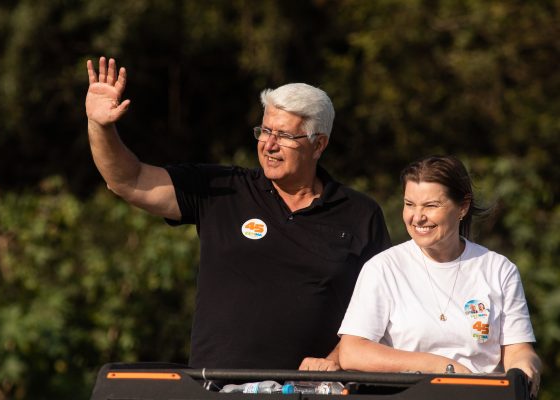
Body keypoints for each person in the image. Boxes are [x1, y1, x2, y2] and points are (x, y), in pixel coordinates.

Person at [85, 57, 391, 370]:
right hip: (217, 388)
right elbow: (129, 180)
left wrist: (335, 361)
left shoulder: (360, 214)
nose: (269, 145)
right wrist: (100, 126)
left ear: (318, 145)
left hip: (308, 390)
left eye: (284, 136)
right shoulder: (222, 190)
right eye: (264, 130)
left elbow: (383, 310)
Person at [338, 155, 542, 398]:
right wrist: (442, 368)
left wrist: (524, 371)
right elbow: (352, 352)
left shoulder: (499, 269)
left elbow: (519, 350)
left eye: (431, 206)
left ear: (463, 207)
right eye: (410, 204)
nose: (417, 217)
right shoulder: (383, 268)